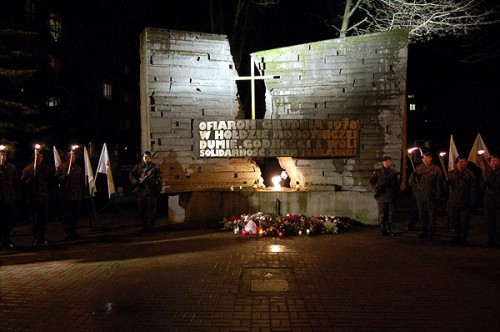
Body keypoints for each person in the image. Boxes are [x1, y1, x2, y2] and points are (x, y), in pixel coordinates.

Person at [409, 152, 443, 240]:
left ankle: (431, 231)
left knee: (431, 215)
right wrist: (414, 176)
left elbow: (439, 183)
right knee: (422, 214)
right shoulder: (417, 169)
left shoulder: (436, 169)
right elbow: (410, 182)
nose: (426, 160)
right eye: (424, 159)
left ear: (431, 159)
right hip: (420, 196)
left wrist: (438, 195)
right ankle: (423, 230)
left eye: (427, 158)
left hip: (431, 195)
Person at [21, 151, 52, 245]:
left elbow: (49, 182)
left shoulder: (45, 168)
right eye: (38, 157)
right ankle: (36, 236)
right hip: (33, 197)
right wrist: (31, 180)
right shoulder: (28, 169)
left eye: (41, 157)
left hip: (44, 196)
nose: (40, 159)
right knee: (35, 218)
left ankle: (42, 235)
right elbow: (22, 182)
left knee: (44, 218)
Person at [129, 151, 163, 233]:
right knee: (142, 209)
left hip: (151, 190)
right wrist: (135, 182)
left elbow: (159, 179)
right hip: (141, 190)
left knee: (151, 209)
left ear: (150, 158)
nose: (145, 158)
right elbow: (131, 174)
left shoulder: (154, 167)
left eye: (147, 156)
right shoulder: (139, 166)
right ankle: (145, 225)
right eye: (144, 156)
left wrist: (158, 189)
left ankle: (151, 226)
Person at [446, 155, 477, 246]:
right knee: (454, 220)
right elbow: (446, 189)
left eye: (463, 161)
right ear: (455, 164)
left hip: (465, 202)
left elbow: (473, 189)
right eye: (458, 162)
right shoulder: (451, 174)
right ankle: (454, 237)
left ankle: (463, 238)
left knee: (464, 222)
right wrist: (446, 184)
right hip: (454, 201)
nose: (460, 163)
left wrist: (473, 202)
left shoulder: (470, 174)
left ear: (466, 163)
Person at [55, 150, 85, 240]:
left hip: (76, 195)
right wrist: (63, 178)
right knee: (67, 215)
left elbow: (81, 182)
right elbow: (55, 179)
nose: (73, 159)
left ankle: (73, 231)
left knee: (75, 215)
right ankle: (67, 232)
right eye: (71, 157)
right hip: (66, 195)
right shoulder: (61, 167)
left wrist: (82, 193)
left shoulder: (78, 168)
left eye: (74, 157)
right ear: (67, 159)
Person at [370, 156, 399, 236]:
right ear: (383, 162)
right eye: (386, 161)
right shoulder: (378, 172)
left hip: (390, 195)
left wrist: (396, 194)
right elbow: (372, 182)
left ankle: (388, 228)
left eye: (389, 161)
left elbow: (396, 185)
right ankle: (382, 229)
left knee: (390, 213)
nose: (388, 163)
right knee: (382, 213)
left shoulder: (393, 172)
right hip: (382, 196)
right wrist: (376, 190)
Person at [0, 145, 22, 249]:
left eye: (4, 154)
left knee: (8, 220)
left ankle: (6, 240)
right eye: (0, 155)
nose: (2, 157)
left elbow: (16, 183)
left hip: (8, 198)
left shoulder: (11, 168)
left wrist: (17, 196)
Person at [480, 152, 500, 248]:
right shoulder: (486, 172)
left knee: (498, 221)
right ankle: (490, 240)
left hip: (498, 200)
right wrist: (485, 184)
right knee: (489, 221)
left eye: (495, 160)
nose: (493, 162)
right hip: (489, 200)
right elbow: (481, 187)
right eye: (491, 160)